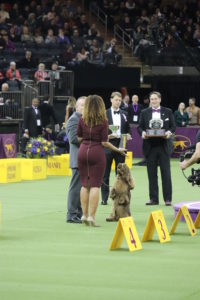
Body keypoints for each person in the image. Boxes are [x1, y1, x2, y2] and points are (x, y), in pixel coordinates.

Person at [77, 95, 126, 226]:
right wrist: (117, 149)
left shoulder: (82, 119)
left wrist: (89, 138)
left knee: (84, 184)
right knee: (95, 185)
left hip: (82, 152)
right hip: (96, 152)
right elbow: (104, 142)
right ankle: (91, 217)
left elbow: (79, 138)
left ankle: (84, 214)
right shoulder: (103, 121)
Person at [138, 91, 176, 206]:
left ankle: (168, 199)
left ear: (160, 99)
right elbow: (139, 127)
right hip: (150, 147)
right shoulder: (144, 112)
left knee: (166, 173)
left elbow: (173, 126)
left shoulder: (168, 111)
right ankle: (154, 199)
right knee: (151, 174)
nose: (153, 101)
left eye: (155, 99)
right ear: (150, 100)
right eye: (152, 99)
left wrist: (169, 132)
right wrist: (143, 132)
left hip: (163, 146)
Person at [101, 91, 131, 205]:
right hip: (107, 145)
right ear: (111, 100)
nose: (118, 102)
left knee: (120, 174)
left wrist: (128, 134)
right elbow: (100, 130)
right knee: (105, 173)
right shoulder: (104, 113)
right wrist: (108, 136)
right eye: (116, 100)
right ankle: (104, 198)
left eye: (119, 100)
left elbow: (128, 129)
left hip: (121, 145)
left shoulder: (124, 113)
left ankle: (120, 197)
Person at [66, 96, 86, 224]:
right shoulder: (74, 119)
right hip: (78, 158)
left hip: (84, 159)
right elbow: (74, 139)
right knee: (75, 187)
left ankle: (78, 212)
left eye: (87, 105)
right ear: (77, 107)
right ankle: (72, 214)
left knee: (81, 187)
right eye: (83, 105)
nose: (85, 108)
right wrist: (91, 138)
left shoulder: (84, 120)